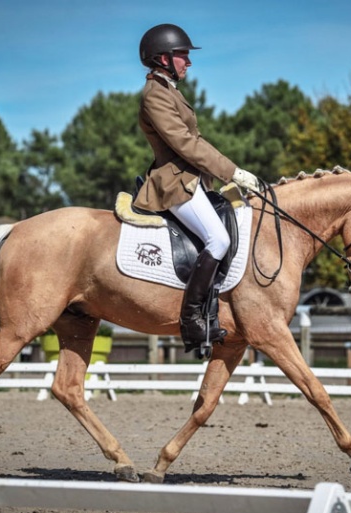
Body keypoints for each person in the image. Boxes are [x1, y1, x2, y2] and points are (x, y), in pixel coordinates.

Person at [133, 23, 260, 352]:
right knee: (219, 239)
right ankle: (192, 319)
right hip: (174, 183)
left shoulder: (170, 91)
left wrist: (231, 179)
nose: (188, 62)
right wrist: (232, 171)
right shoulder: (154, 95)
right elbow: (186, 144)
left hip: (194, 180)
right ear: (163, 59)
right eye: (183, 56)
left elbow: (196, 142)